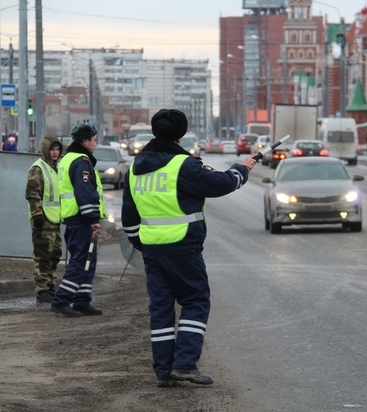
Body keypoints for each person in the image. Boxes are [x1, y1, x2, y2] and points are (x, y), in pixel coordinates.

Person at [121, 109, 256, 388]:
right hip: (183, 247)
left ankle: (164, 371)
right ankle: (184, 364)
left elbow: (129, 217)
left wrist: (140, 245)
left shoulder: (135, 167)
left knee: (160, 310)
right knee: (195, 301)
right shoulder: (183, 165)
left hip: (153, 251)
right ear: (180, 134)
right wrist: (243, 168)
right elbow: (222, 183)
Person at [50, 122, 106, 318]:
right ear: (85, 141)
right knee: (81, 261)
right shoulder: (82, 161)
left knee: (87, 261)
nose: (96, 144)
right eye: (94, 140)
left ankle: (82, 301)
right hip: (82, 219)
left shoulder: (67, 159)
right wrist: (93, 218)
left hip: (74, 218)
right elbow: (85, 192)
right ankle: (61, 300)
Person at [25, 136, 63, 303]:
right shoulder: (38, 168)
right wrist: (37, 214)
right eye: (52, 149)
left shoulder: (57, 168)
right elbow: (32, 194)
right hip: (43, 219)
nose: (55, 152)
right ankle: (42, 290)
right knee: (42, 256)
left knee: (55, 254)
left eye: (57, 149)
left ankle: (51, 286)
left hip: (55, 220)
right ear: (46, 150)